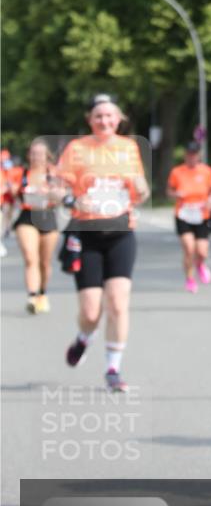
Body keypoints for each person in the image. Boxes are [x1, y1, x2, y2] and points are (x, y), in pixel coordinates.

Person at [56, 93, 150, 392]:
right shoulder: (77, 149)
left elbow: (141, 192)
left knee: (119, 304)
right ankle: (84, 338)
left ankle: (113, 369)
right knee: (91, 312)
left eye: (110, 115)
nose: (104, 120)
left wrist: (141, 189)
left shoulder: (129, 148)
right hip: (87, 234)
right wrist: (72, 198)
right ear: (90, 120)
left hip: (121, 232)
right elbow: (56, 190)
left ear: (119, 119)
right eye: (98, 116)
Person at [12, 138, 61, 313]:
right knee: (30, 257)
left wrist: (52, 192)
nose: (36, 157)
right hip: (27, 217)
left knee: (44, 262)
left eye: (40, 154)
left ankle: (42, 293)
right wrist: (11, 189)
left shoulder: (54, 174)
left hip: (47, 216)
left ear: (47, 156)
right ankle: (31, 296)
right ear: (28, 155)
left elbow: (63, 196)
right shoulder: (20, 173)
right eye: (33, 153)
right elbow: (10, 192)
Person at [166, 141, 211, 293]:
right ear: (186, 155)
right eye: (189, 154)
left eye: (194, 154)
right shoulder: (177, 172)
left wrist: (210, 201)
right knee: (189, 248)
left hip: (201, 214)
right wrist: (176, 194)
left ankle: (200, 263)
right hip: (184, 213)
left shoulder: (207, 171)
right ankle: (190, 279)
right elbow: (169, 191)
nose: (191, 157)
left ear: (199, 155)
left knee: (202, 251)